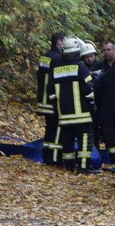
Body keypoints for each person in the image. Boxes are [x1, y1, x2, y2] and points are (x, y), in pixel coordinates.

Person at [52, 36, 99, 173]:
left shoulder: (56, 69)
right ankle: (84, 167)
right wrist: (92, 106)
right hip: (82, 115)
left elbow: (51, 93)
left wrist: (58, 106)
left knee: (67, 141)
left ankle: (69, 166)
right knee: (85, 139)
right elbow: (88, 89)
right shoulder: (80, 67)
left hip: (64, 115)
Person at [37, 33, 66, 165]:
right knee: (56, 130)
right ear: (59, 42)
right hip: (52, 101)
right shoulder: (58, 58)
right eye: (64, 41)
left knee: (49, 129)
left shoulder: (45, 57)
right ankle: (54, 159)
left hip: (43, 101)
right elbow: (56, 81)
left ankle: (46, 156)